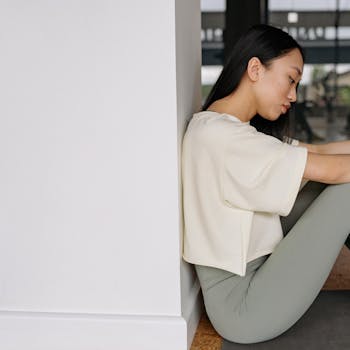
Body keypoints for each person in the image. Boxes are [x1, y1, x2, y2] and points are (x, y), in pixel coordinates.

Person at [182, 24, 350, 344]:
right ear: (256, 69)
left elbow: (317, 151)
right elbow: (332, 169)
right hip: (245, 306)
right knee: (345, 187)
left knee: (321, 182)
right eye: (291, 79)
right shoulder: (222, 137)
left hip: (254, 277)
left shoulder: (227, 130)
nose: (294, 95)